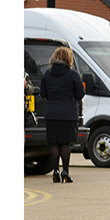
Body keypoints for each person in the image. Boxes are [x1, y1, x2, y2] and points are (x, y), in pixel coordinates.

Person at [39, 46, 85, 183]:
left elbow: (43, 93)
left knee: (54, 143)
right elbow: (80, 94)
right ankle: (65, 170)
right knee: (65, 143)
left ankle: (55, 170)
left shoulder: (47, 74)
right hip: (68, 113)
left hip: (51, 112)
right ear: (68, 59)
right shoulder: (73, 75)